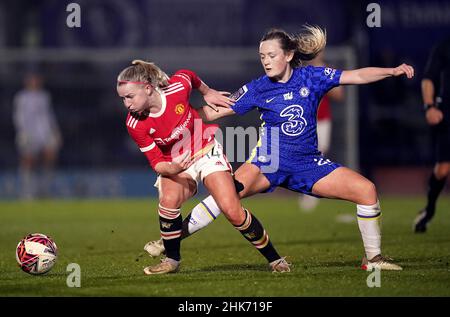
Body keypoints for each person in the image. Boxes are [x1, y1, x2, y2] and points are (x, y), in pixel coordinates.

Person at [144, 26, 415, 271]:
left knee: (366, 191)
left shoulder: (312, 77)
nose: (266, 61)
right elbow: (211, 113)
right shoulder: (257, 88)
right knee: (225, 199)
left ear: (288, 55)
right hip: (269, 161)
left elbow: (356, 76)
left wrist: (391, 71)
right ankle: (169, 239)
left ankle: (373, 260)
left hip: (308, 164)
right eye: (262, 57)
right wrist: (171, 114)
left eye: (271, 55)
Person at [116, 60, 290, 274]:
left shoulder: (176, 89)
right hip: (175, 164)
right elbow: (157, 163)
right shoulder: (134, 123)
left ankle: (275, 260)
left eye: (129, 97)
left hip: (206, 150)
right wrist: (173, 168)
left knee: (232, 210)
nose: (126, 104)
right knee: (168, 201)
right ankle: (172, 261)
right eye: (123, 98)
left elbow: (188, 74)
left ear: (148, 88)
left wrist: (207, 92)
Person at [298, 50, 344, 211]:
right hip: (304, 120)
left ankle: (311, 191)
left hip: (322, 119)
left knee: (318, 154)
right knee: (303, 154)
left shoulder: (325, 70)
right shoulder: (301, 72)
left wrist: (324, 80)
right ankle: (305, 187)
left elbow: (339, 94)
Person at [413, 37, 450, 233]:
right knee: (443, 169)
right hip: (447, 113)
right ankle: (429, 210)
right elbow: (428, 78)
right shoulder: (444, 46)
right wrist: (429, 106)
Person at [13, 73, 62, 200]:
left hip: (44, 132)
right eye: (33, 80)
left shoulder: (44, 96)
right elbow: (19, 116)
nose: (35, 83)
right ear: (27, 82)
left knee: (50, 157)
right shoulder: (21, 97)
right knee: (28, 160)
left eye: (37, 80)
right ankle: (27, 191)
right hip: (28, 132)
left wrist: (55, 131)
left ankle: (45, 190)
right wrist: (21, 132)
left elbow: (49, 114)